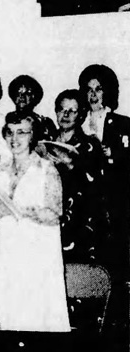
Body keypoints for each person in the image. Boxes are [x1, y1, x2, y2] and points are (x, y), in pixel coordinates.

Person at [0, 112, 69, 332]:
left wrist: (21, 211)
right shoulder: (0, 172)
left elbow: (54, 214)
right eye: (10, 132)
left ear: (33, 136)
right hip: (6, 255)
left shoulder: (47, 170)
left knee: (34, 317)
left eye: (21, 132)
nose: (14, 139)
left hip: (35, 257)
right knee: (6, 317)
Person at [78, 64, 130, 281]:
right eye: (89, 89)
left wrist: (114, 155)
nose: (93, 95)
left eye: (98, 89)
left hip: (113, 204)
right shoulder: (78, 123)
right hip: (83, 201)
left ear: (107, 91)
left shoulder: (123, 124)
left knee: (114, 258)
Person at [49, 89, 105, 263]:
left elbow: (96, 187)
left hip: (78, 220)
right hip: (49, 216)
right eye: (62, 109)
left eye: (72, 111)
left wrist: (71, 165)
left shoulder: (90, 145)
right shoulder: (45, 142)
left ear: (80, 115)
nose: (66, 115)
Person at [8, 75, 57, 141]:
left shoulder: (44, 123)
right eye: (18, 92)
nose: (22, 96)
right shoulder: (6, 120)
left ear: (35, 96)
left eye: (28, 93)